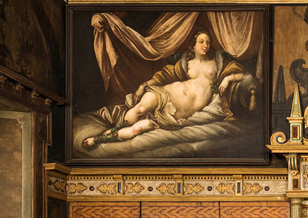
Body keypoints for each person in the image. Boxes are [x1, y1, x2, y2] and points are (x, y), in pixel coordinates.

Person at [82, 31, 255, 149]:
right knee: (140, 109)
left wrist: (227, 78)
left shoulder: (218, 63)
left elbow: (242, 74)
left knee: (138, 129)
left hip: (176, 113)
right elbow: (165, 75)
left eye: (208, 42)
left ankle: (99, 139)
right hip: (166, 94)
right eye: (201, 41)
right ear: (193, 45)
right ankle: (108, 133)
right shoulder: (185, 63)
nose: (205, 45)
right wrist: (143, 85)